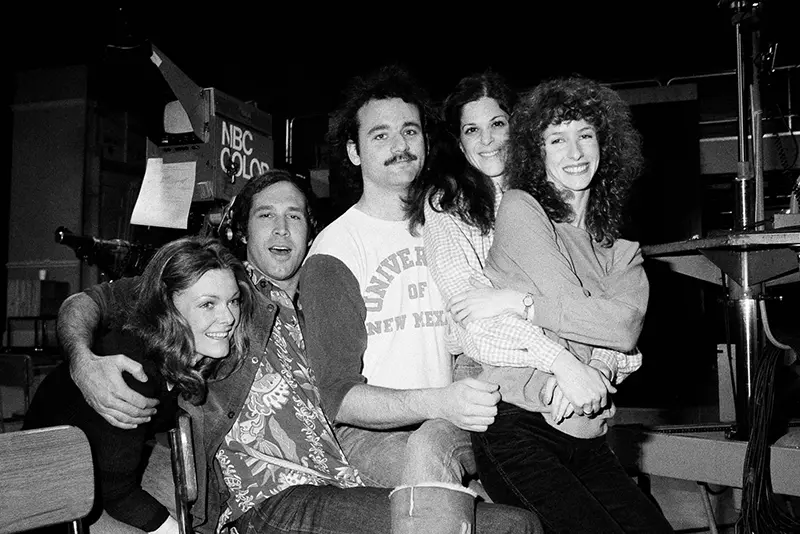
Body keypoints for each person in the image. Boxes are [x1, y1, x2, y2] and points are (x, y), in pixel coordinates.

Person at [58, 169, 538, 534]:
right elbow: (87, 302)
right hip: (269, 499)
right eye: (266, 216)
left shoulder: (324, 294)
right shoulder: (216, 287)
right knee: (505, 528)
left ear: (311, 230)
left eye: (295, 217)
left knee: (511, 516)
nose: (282, 230)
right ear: (243, 231)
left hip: (344, 478)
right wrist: (82, 360)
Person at [298, 66, 539, 532]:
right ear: (353, 150)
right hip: (378, 435)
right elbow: (339, 398)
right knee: (493, 517)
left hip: (471, 415)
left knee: (539, 501)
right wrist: (439, 401)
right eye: (381, 135)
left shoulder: (454, 220)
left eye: (409, 131)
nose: (399, 146)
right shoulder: (335, 251)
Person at [458, 76, 674, 533]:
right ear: (537, 151)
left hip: (587, 434)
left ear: (605, 145)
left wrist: (519, 303)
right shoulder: (520, 208)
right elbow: (571, 304)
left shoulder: (622, 250)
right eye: (557, 139)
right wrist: (584, 361)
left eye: (585, 135)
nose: (574, 152)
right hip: (518, 426)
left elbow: (624, 330)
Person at [24, 236, 253, 534]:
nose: (228, 317)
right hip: (51, 496)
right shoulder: (132, 371)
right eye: (208, 304)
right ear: (168, 309)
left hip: (105, 471)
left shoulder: (191, 351)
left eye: (232, 300)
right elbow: (118, 494)